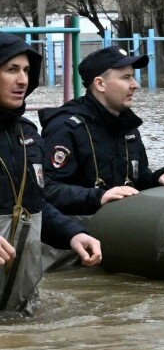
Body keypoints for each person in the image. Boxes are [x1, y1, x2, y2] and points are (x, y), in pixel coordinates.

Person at [0, 33, 102, 316]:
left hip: (18, 307)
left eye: (27, 71)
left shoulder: (28, 134)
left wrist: (72, 234)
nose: (22, 80)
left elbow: (36, 206)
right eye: (11, 70)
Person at [39, 45, 164, 216]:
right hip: (78, 233)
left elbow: (138, 179)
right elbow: (47, 190)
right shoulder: (66, 127)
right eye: (126, 77)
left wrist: (158, 179)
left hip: (123, 225)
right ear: (100, 84)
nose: (135, 85)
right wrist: (98, 197)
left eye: (133, 77)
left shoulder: (127, 125)